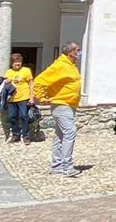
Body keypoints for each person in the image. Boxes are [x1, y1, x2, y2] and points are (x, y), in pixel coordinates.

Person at [34, 42, 84, 177]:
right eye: (78, 50)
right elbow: (39, 81)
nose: (79, 53)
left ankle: (57, 166)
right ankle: (67, 166)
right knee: (70, 132)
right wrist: (41, 97)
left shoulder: (71, 66)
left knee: (60, 136)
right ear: (71, 52)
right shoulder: (60, 66)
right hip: (62, 104)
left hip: (69, 104)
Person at [1, 53, 35, 144]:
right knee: (12, 117)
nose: (17, 64)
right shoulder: (8, 72)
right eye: (15, 62)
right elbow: (5, 85)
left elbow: (31, 84)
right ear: (12, 63)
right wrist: (6, 82)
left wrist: (32, 97)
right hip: (12, 99)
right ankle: (16, 135)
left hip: (24, 97)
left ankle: (25, 136)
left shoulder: (26, 70)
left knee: (24, 116)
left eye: (19, 62)